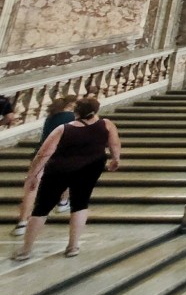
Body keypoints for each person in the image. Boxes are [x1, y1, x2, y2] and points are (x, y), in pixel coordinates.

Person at [11, 98, 120, 261]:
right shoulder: (106, 124)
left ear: (76, 111)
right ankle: (73, 247)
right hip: (90, 169)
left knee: (42, 208)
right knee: (80, 204)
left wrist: (33, 175)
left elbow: (43, 153)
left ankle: (26, 250)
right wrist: (115, 159)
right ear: (96, 110)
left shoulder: (63, 129)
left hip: (59, 170)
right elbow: (114, 144)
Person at [11, 96, 77, 237]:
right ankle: (63, 202)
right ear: (71, 105)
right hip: (61, 154)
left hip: (41, 154)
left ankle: (22, 223)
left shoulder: (50, 117)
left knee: (31, 189)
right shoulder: (72, 116)